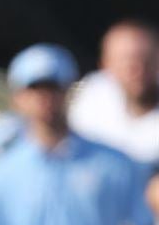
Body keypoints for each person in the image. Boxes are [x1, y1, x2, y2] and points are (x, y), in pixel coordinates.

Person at [0, 43, 156, 225]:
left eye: (53, 88)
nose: (45, 98)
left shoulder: (114, 163)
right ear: (18, 97)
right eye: (35, 89)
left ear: (68, 91)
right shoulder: (0, 172)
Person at [68, 19, 159, 168]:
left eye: (144, 59)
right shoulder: (90, 97)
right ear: (105, 64)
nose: (136, 69)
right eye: (125, 61)